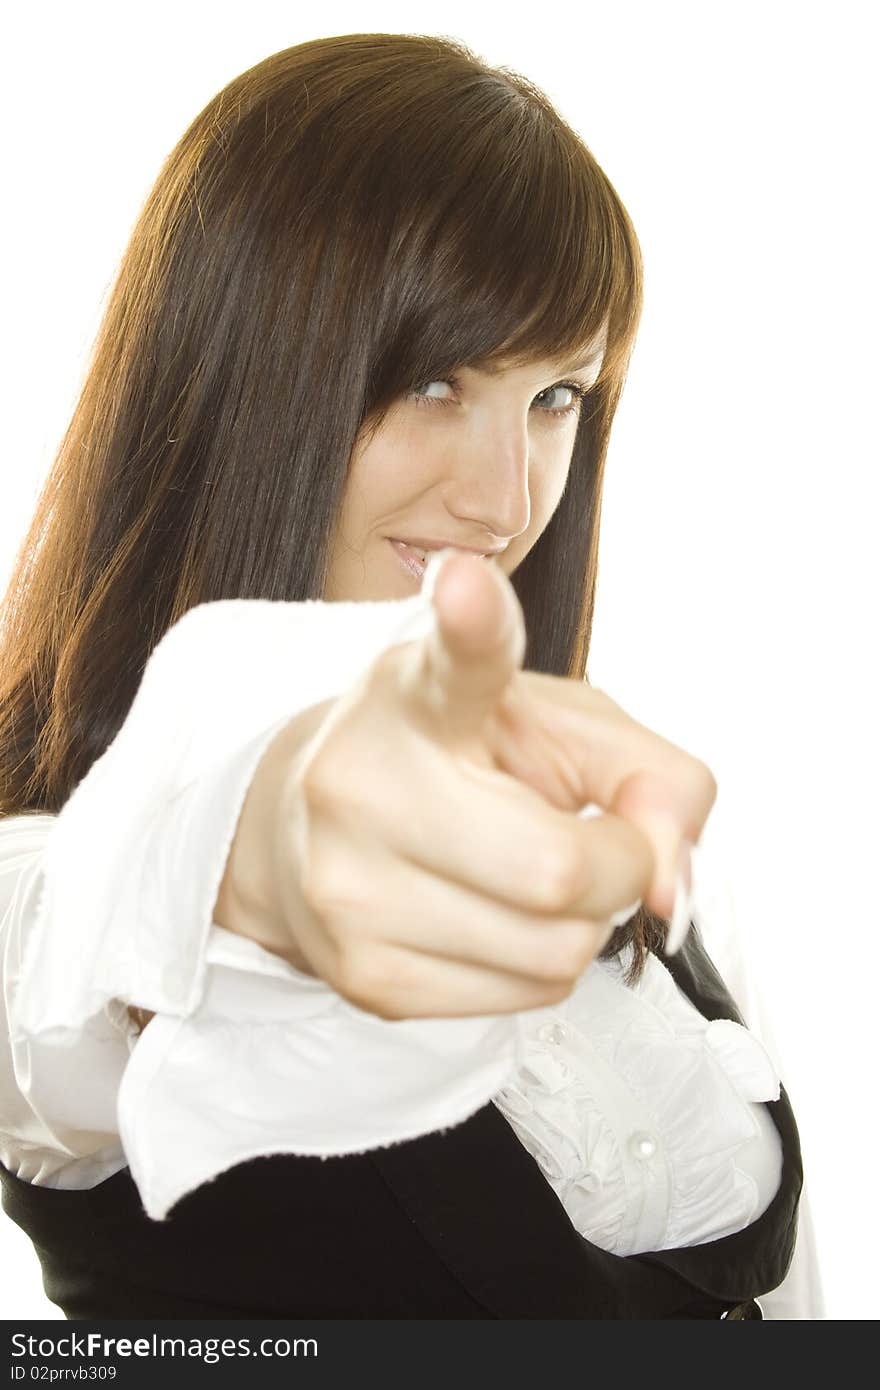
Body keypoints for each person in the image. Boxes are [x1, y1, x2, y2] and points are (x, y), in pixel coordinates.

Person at [0, 32, 820, 1319]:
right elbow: (72, 973)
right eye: (439, 381)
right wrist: (259, 865)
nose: (506, 500)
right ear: (249, 374)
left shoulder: (594, 814)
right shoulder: (39, 861)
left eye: (557, 395)